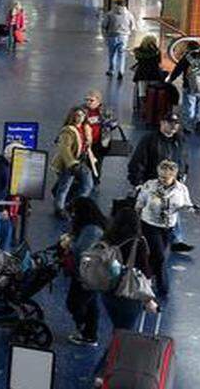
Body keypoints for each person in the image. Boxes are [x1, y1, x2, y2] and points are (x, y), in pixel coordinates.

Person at [96, 209, 158, 373]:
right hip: (128, 295)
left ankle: (105, 371)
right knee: (122, 338)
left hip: (108, 293)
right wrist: (148, 299)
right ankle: (102, 372)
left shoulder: (107, 239)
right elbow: (144, 271)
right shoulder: (138, 242)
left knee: (119, 331)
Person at [127, 113, 193, 253]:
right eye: (170, 123)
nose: (173, 126)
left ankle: (176, 240)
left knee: (173, 209)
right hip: (152, 183)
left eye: (176, 123)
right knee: (149, 212)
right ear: (162, 123)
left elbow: (183, 157)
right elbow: (138, 161)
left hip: (172, 183)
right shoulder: (149, 139)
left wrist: (183, 173)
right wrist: (137, 181)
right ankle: (143, 239)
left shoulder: (179, 139)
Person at [135, 160, 193, 299]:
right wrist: (135, 220)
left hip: (167, 227)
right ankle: (163, 287)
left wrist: (193, 209)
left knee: (155, 255)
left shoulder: (182, 189)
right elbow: (140, 203)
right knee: (160, 256)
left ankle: (147, 277)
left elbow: (186, 205)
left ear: (174, 176)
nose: (162, 180)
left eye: (165, 178)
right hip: (149, 225)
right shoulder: (149, 185)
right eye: (160, 176)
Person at [61, 197, 107, 347]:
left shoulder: (92, 230)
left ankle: (85, 330)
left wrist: (69, 244)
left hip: (87, 274)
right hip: (93, 274)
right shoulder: (92, 226)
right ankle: (89, 333)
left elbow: (83, 251)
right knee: (91, 302)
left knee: (75, 302)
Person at [51, 107, 95, 218]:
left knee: (85, 185)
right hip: (69, 163)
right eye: (77, 115)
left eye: (82, 115)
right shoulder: (68, 131)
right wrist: (71, 163)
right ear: (73, 116)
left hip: (80, 161)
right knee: (65, 186)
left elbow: (86, 146)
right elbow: (64, 148)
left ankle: (71, 204)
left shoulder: (85, 129)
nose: (80, 118)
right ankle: (60, 209)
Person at [167, 41, 200, 131]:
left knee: (189, 106)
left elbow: (178, 70)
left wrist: (170, 80)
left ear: (188, 48)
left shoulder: (187, 58)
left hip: (189, 86)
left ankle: (188, 126)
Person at [101, 3, 136, 79]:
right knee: (122, 55)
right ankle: (121, 71)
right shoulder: (129, 15)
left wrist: (105, 36)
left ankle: (111, 70)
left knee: (112, 54)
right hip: (124, 37)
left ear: (116, 5)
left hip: (112, 36)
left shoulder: (110, 14)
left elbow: (104, 25)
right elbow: (133, 27)